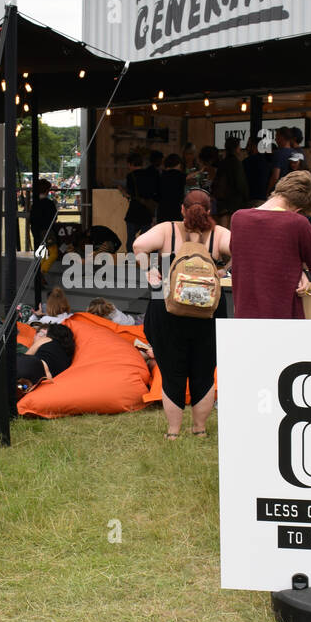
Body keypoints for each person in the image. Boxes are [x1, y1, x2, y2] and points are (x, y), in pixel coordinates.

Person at [133, 188, 231, 439]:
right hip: (208, 312)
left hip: (167, 308)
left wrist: (148, 269)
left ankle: (173, 432)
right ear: (210, 211)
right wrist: (224, 271)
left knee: (172, 371)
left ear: (181, 210)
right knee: (205, 371)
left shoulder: (167, 230)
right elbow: (245, 250)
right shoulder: (218, 234)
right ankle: (199, 430)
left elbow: (138, 245)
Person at [226, 171, 311, 320]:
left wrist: (297, 270)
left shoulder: (238, 218)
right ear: (299, 210)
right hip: (283, 318)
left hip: (244, 316)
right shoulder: (296, 222)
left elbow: (257, 258)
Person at [16, 323, 76, 392]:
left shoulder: (47, 339)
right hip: (38, 380)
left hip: (32, 365)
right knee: (19, 387)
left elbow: (27, 356)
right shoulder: (67, 358)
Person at [120, 153, 157, 250]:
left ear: (130, 164)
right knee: (145, 240)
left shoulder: (130, 176)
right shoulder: (150, 175)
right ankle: (144, 261)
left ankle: (132, 262)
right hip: (147, 211)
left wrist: (122, 191)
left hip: (134, 210)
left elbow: (129, 194)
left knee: (131, 240)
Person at [211, 138, 249, 228]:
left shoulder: (222, 163)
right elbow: (240, 184)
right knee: (232, 231)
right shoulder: (237, 163)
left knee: (222, 230)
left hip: (222, 202)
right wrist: (246, 197)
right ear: (236, 148)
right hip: (234, 203)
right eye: (239, 147)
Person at [156, 156, 187, 223]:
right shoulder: (180, 175)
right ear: (178, 164)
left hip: (162, 208)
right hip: (176, 208)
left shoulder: (161, 175)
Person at [30, 179, 59, 248]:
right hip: (47, 230)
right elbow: (55, 217)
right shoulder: (50, 203)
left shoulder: (35, 203)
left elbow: (32, 218)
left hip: (36, 230)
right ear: (47, 190)